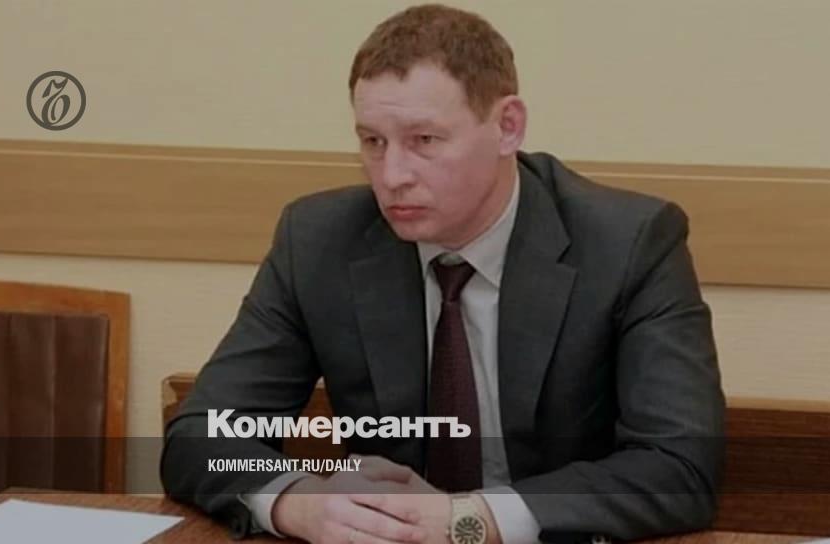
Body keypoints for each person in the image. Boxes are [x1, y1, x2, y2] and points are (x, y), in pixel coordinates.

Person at [161, 4, 725, 543]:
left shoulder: (629, 243)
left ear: (507, 126)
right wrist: (298, 501)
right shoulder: (318, 241)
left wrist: (468, 521)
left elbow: (679, 467)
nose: (392, 176)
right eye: (372, 141)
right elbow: (203, 434)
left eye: (424, 140)